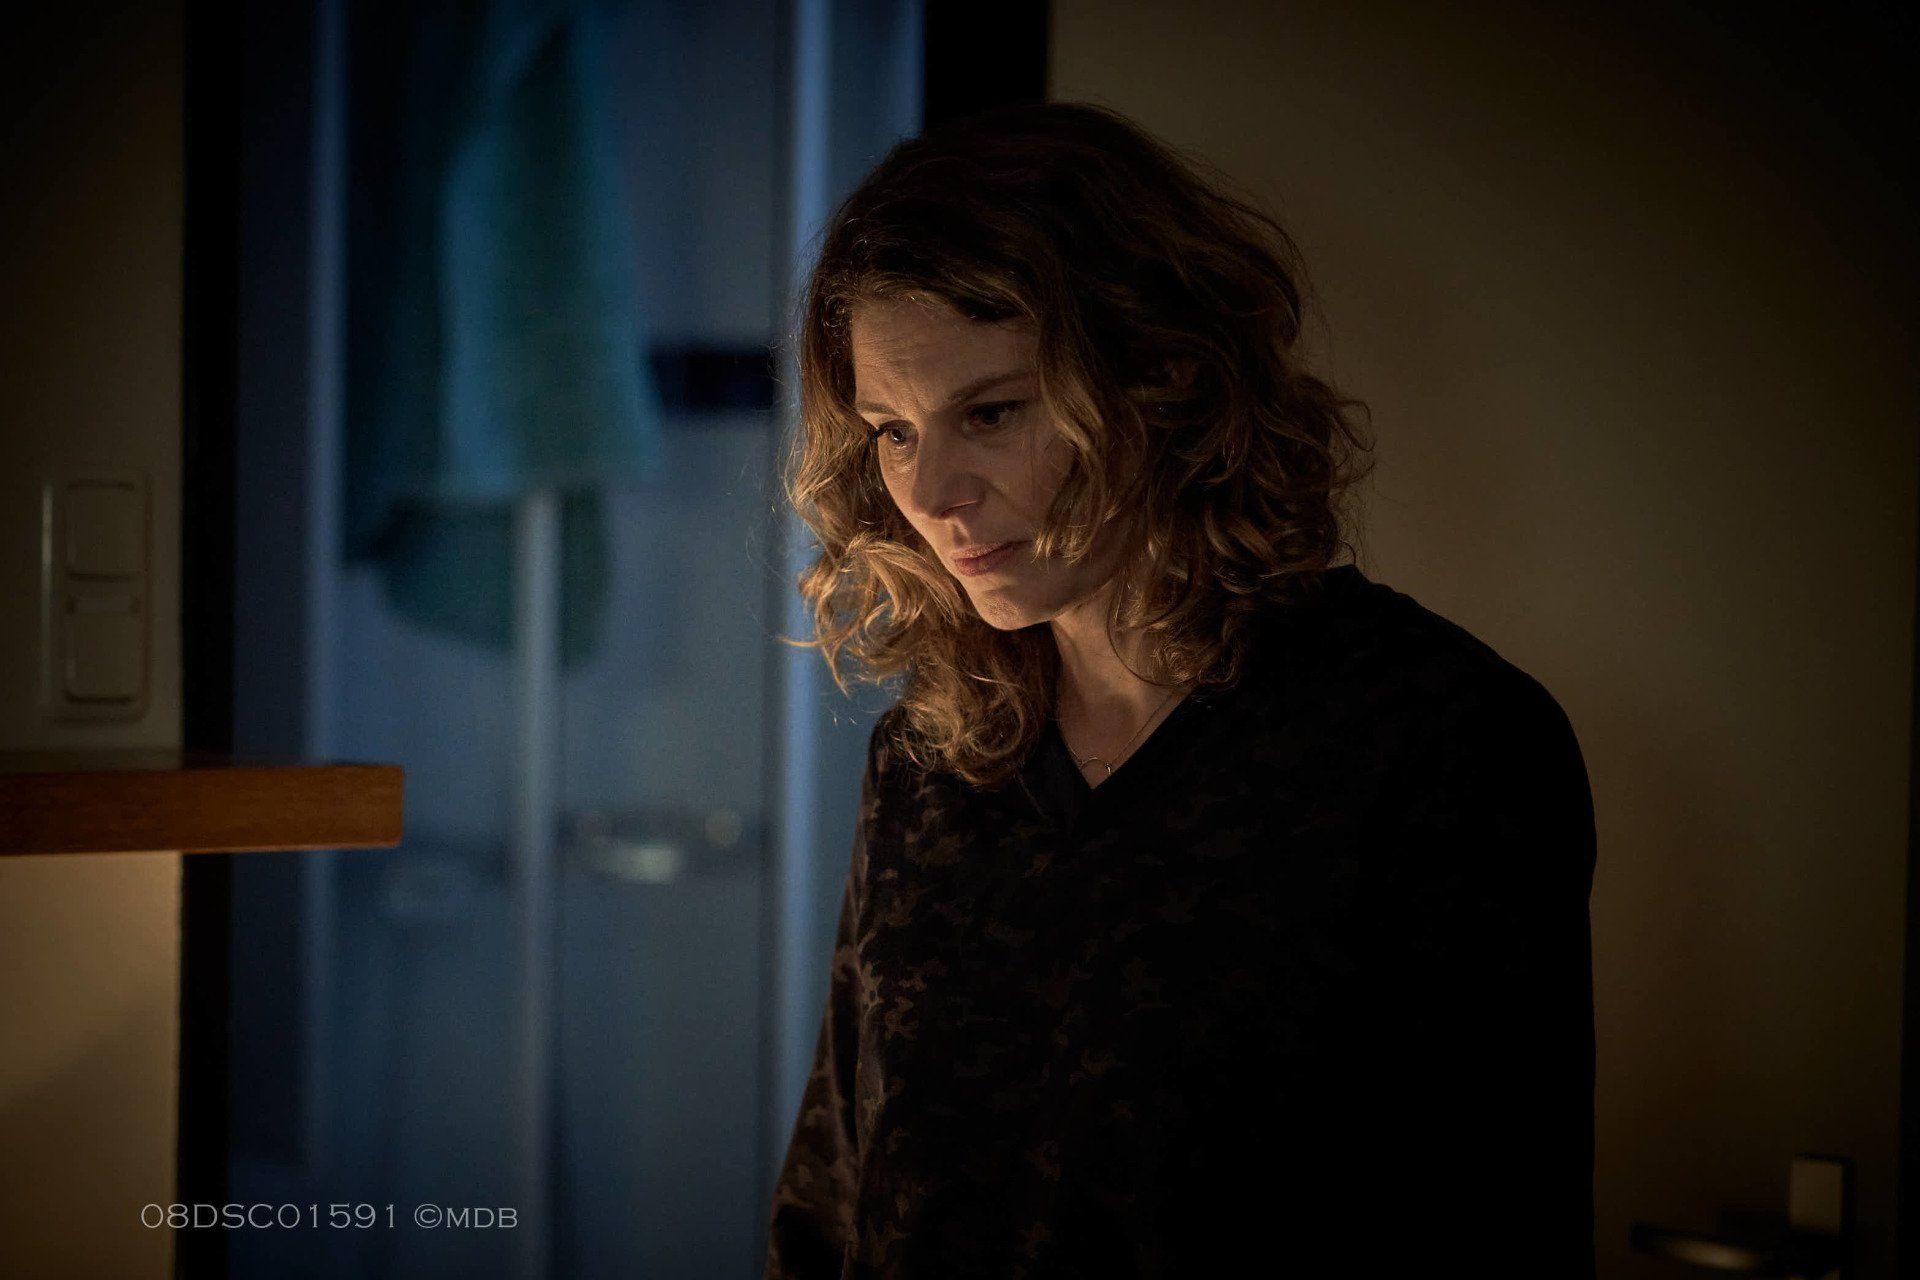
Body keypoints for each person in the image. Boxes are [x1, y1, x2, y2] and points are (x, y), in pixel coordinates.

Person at [763, 101, 1596, 1279]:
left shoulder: (1435, 740)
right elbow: (830, 1208)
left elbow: (1494, 1228)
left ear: (1164, 377)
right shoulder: (935, 752)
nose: (934, 491)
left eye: (990, 412)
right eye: (892, 431)